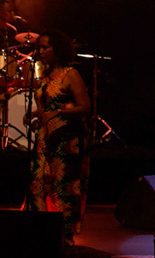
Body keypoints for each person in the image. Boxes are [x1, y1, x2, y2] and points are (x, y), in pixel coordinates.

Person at [25, 29, 91, 247]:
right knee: (38, 183)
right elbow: (47, 106)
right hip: (45, 138)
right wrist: (35, 114)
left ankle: (66, 235)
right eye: (39, 48)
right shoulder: (45, 76)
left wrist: (59, 112)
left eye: (46, 47)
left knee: (63, 185)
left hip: (66, 140)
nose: (41, 51)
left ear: (58, 49)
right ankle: (39, 230)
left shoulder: (70, 74)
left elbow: (85, 107)